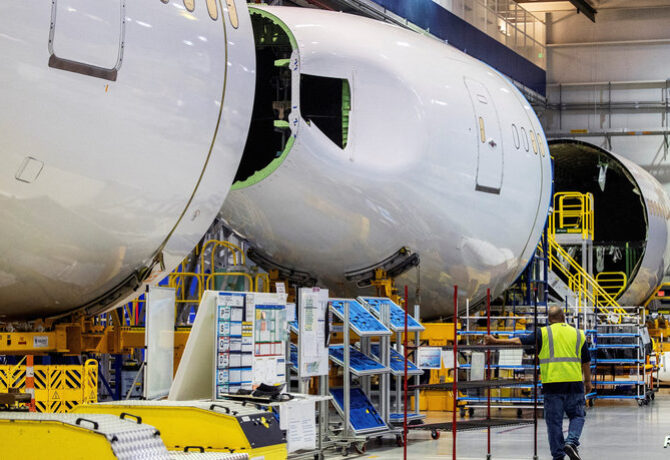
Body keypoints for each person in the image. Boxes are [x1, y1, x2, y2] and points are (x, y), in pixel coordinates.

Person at [485, 306, 592, 460]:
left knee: (554, 423)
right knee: (578, 416)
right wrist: (587, 382)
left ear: (549, 320)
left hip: (552, 386)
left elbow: (518, 341)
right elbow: (586, 361)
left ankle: (558, 457)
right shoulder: (578, 333)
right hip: (574, 385)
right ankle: (571, 442)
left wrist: (495, 341)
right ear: (564, 318)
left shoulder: (543, 333)